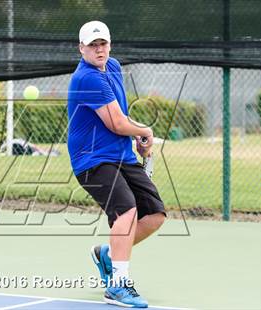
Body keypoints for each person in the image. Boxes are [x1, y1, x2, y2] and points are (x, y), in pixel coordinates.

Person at [67, 21, 166, 308]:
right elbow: (116, 122)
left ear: (109, 45)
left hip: (121, 156)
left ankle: (108, 255)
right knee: (127, 210)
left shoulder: (112, 67)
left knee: (155, 215)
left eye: (103, 44)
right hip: (91, 160)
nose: (99, 49)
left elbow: (120, 114)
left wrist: (136, 136)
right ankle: (118, 286)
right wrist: (144, 131)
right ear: (81, 48)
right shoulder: (87, 78)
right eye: (92, 45)